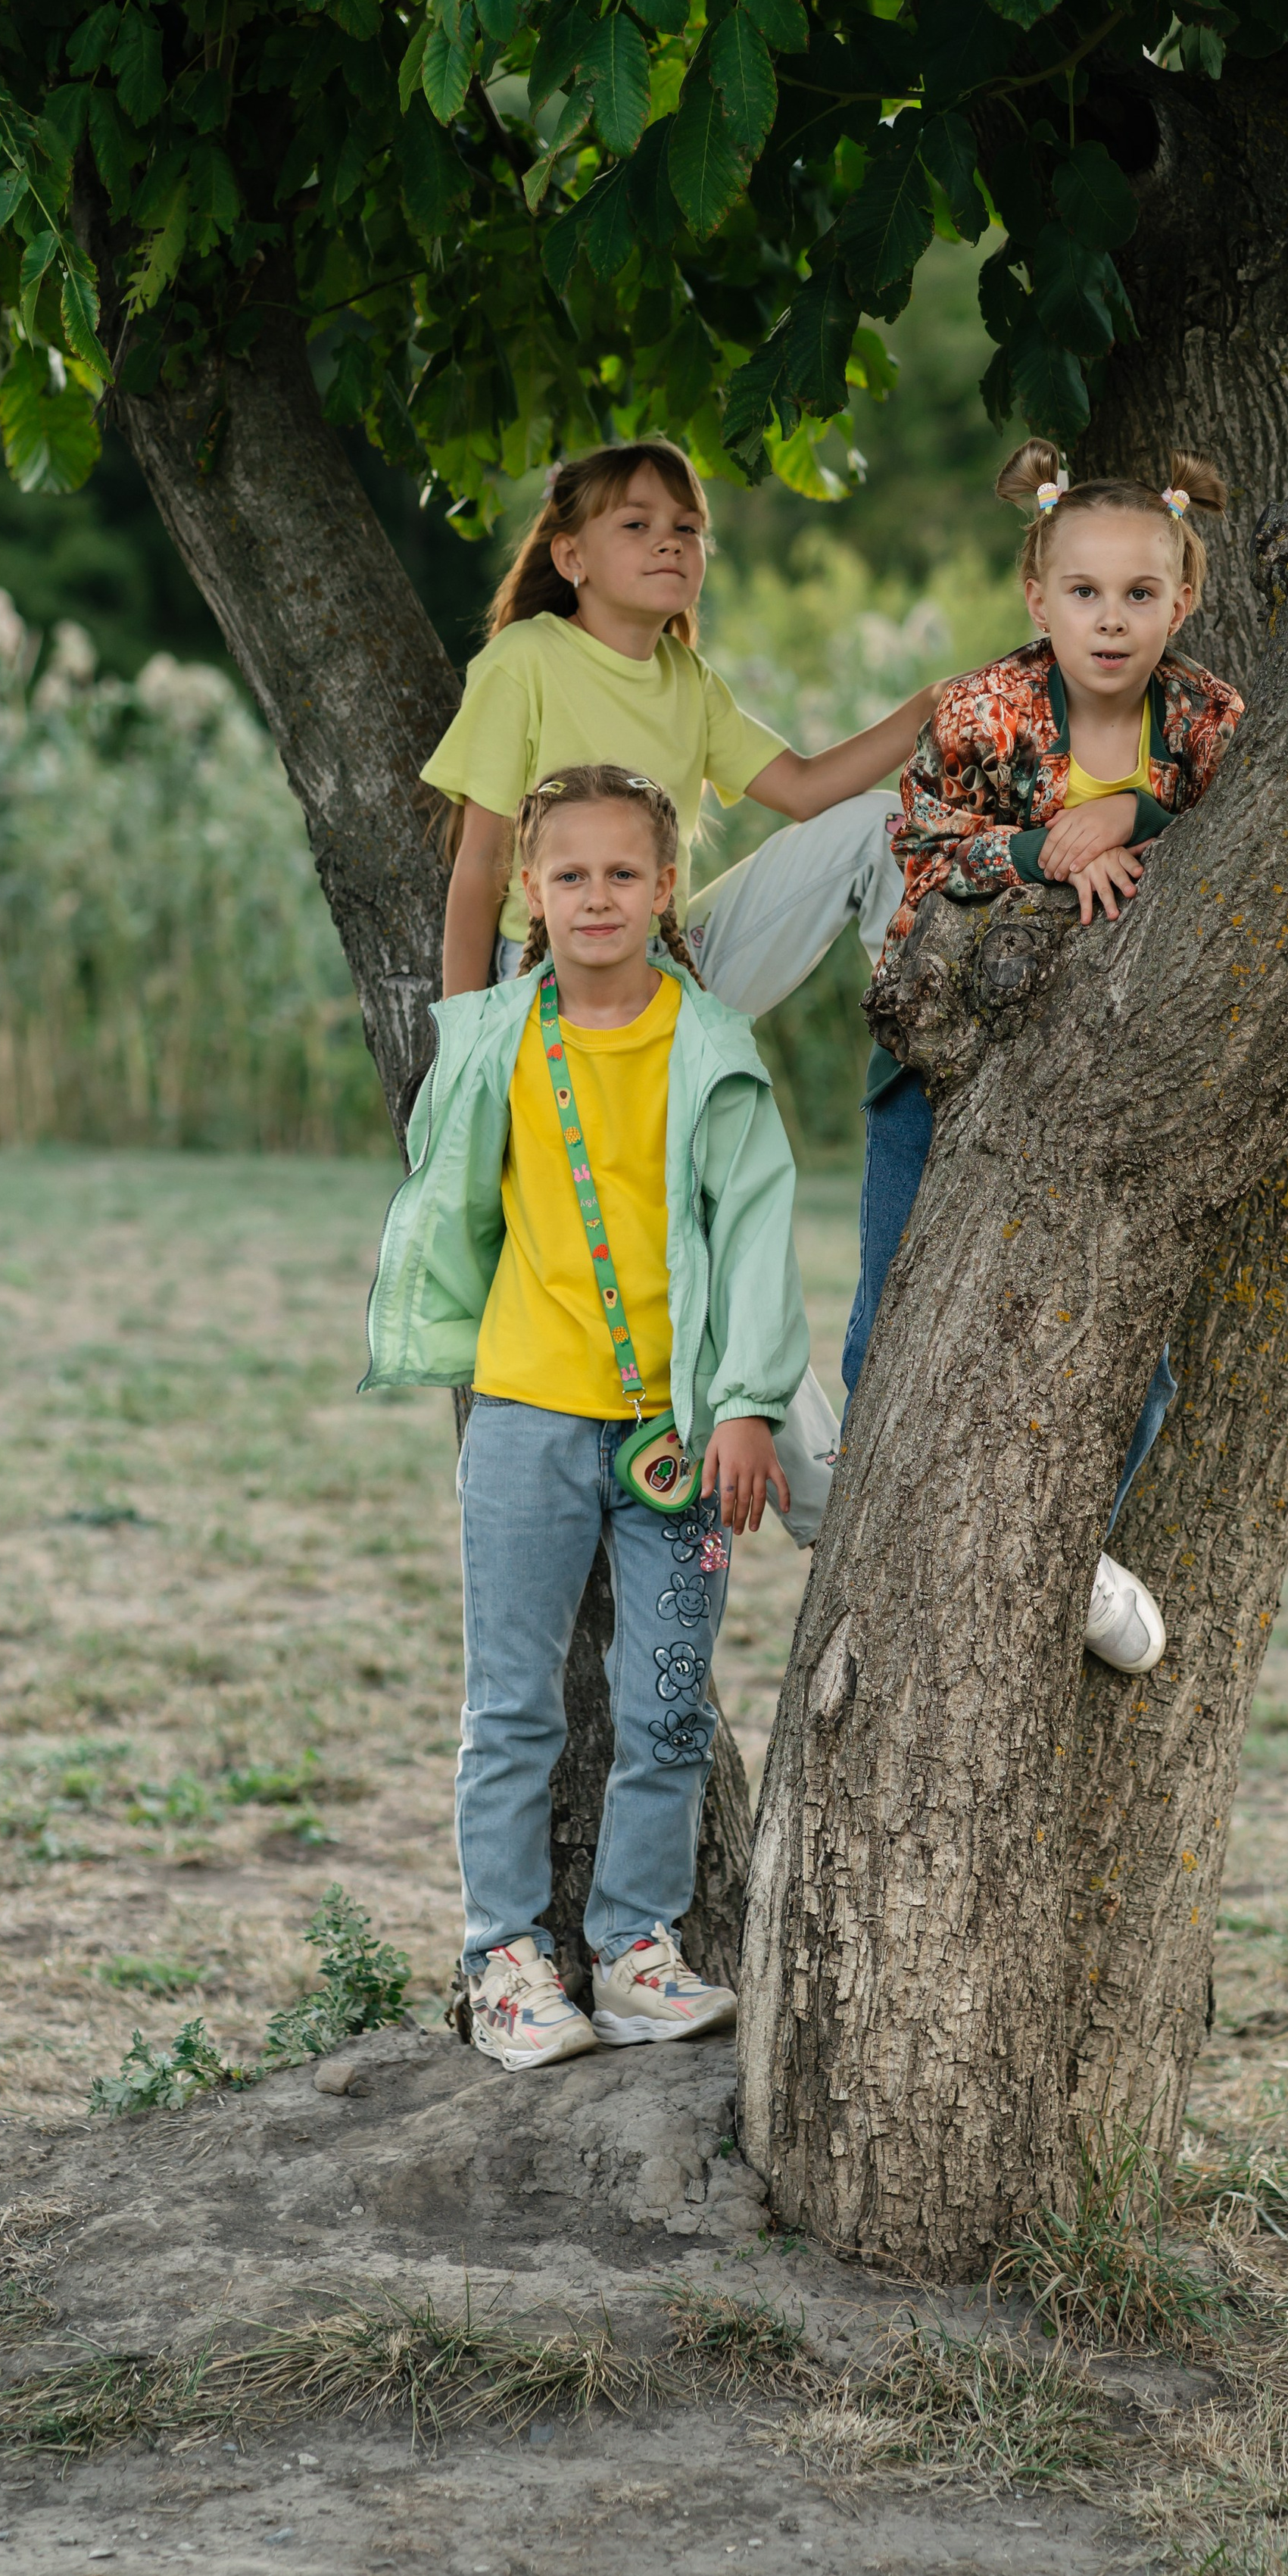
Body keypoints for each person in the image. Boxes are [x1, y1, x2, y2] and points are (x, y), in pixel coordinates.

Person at [363, 763, 809, 2072]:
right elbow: (455, 1195)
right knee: (514, 1709)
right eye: (570, 874)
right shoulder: (492, 1036)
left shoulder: (712, 1049)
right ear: (531, 891)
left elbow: (759, 1233)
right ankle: (504, 1960)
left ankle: (632, 1952)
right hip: (524, 1419)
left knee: (666, 1708)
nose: (597, 896)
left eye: (624, 873)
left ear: (666, 889)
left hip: (683, 1437)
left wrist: (748, 1405)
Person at [842, 442, 1247, 1675]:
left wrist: (1138, 813)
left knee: (1135, 1362)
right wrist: (1038, 852)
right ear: (1038, 596)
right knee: (886, 1324)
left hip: (1115, 1087)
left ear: (1183, 600)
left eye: (1139, 594)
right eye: (1084, 592)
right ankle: (875, 1547)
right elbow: (920, 842)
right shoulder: (981, 711)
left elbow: (1255, 838)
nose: (1110, 620)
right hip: (952, 1064)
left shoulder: (1208, 722)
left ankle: (1064, 1562)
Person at [425, 438, 933, 1014]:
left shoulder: (688, 676)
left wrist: (929, 706)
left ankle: (921, 1043)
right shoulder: (524, 660)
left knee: (880, 826)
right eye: (636, 524)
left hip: (670, 962)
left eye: (687, 528)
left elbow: (803, 788)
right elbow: (480, 863)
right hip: (554, 974)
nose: (669, 541)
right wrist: (463, 1038)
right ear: (571, 558)